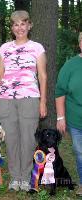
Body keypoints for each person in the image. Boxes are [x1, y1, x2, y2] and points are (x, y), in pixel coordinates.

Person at [0, 10, 47, 191]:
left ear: (29, 25)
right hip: (6, 100)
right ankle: (15, 177)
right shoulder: (4, 49)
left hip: (30, 99)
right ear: (12, 28)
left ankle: (25, 176)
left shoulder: (37, 48)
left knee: (28, 140)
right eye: (15, 24)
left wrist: (43, 101)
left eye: (23, 23)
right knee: (11, 139)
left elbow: (43, 76)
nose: (19, 27)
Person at [55, 32, 82, 196]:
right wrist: (60, 117)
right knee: (80, 152)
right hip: (75, 120)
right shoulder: (70, 65)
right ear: (80, 43)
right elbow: (60, 92)